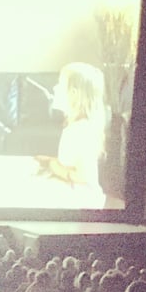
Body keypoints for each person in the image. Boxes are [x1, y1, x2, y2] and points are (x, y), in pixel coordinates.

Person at [36, 61, 106, 208]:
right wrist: (51, 160)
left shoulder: (81, 131)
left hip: (82, 203)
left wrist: (53, 165)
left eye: (60, 84)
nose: (54, 88)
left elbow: (83, 175)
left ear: (74, 94)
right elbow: (72, 161)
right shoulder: (76, 126)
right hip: (74, 194)